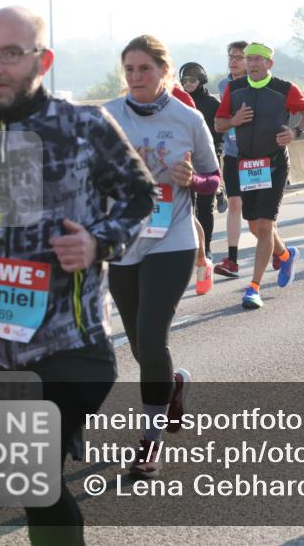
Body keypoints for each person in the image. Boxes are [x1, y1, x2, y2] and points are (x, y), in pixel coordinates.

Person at [0, 6, 156, 545]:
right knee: (34, 482)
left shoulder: (83, 126)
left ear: (42, 60)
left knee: (33, 476)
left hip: (73, 348)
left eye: (8, 54)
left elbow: (142, 196)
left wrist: (98, 241)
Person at [105, 35, 220, 477]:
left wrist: (192, 180)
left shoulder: (187, 118)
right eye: (129, 70)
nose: (136, 77)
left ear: (163, 73)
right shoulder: (107, 117)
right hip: (122, 240)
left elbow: (214, 179)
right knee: (138, 345)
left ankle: (149, 441)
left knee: (152, 338)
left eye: (144, 69)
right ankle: (172, 385)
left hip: (172, 239)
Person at [215, 42, 304, 309]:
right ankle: (285, 255)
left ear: (269, 64)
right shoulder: (234, 89)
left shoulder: (284, 89)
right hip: (248, 166)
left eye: (258, 60)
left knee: (266, 225)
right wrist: (234, 120)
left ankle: (253, 287)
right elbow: (218, 123)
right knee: (254, 226)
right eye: (249, 60)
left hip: (274, 164)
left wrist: (295, 132)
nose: (252, 64)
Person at [180, 61, 220, 295]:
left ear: (201, 81)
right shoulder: (178, 100)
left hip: (208, 160)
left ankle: (206, 252)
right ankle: (196, 253)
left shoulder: (211, 104)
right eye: (184, 81)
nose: (188, 85)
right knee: (189, 210)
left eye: (192, 80)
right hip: (186, 162)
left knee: (206, 207)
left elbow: (220, 131)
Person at [213, 40, 249, 279]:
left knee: (259, 218)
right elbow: (221, 120)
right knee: (234, 204)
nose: (233, 61)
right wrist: (232, 122)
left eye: (238, 57)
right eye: (231, 56)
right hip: (233, 153)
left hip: (257, 157)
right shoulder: (224, 85)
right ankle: (232, 259)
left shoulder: (259, 84)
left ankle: (281, 252)